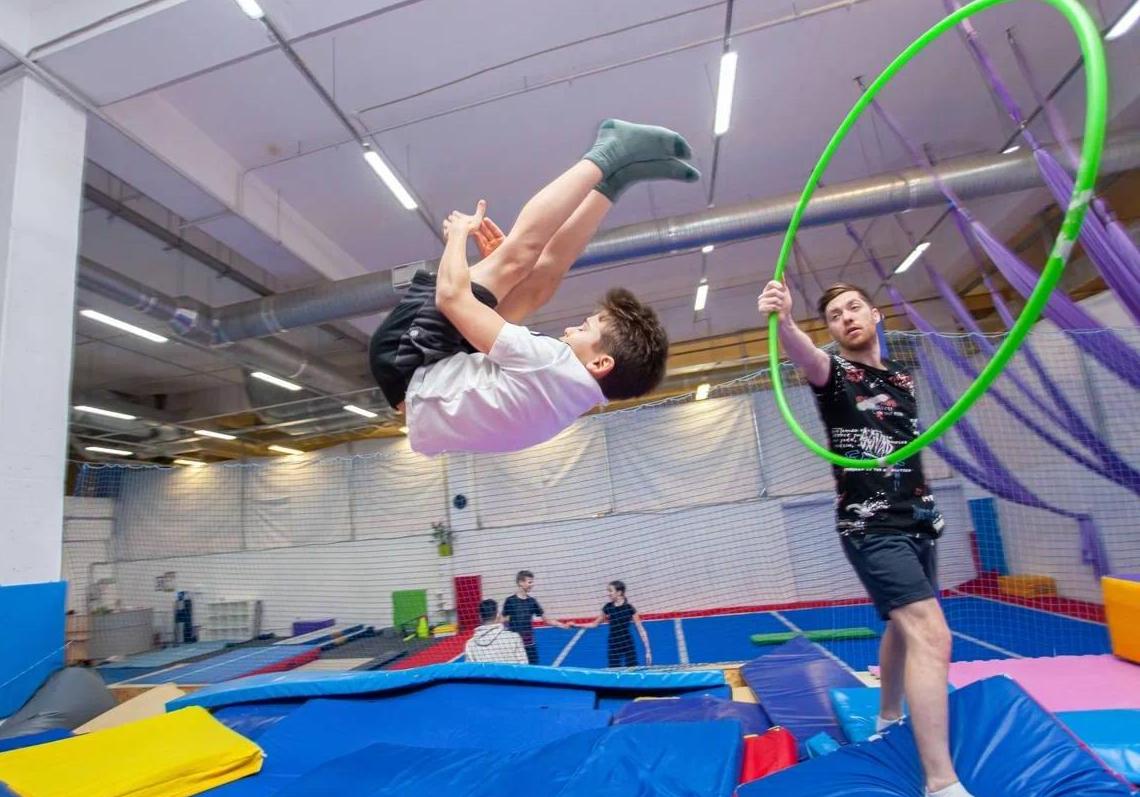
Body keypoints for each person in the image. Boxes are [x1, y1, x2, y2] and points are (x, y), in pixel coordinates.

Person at [369, 118, 698, 455]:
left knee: (518, 258)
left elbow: (450, 296)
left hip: (406, 358)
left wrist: (457, 236)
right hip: (433, 376)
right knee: (539, 282)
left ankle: (608, 153)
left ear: (601, 363)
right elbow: (548, 268)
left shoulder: (548, 364)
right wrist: (501, 285)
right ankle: (614, 183)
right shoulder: (569, 397)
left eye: (585, 328)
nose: (571, 327)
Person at [757, 280, 970, 797]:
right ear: (830, 329)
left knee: (902, 626)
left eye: (854, 308)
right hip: (870, 525)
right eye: (834, 315)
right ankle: (940, 783)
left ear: (875, 315)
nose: (846, 318)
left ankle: (890, 713)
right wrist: (785, 322)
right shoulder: (835, 375)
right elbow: (807, 358)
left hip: (917, 517)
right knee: (931, 634)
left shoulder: (901, 378)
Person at [502, 570, 575, 664]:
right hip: (514, 644)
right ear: (520, 582)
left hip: (529, 643)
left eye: (532, 582)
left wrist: (563, 625)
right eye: (530, 582)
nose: (532, 584)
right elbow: (503, 619)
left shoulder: (532, 601)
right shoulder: (510, 601)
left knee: (533, 667)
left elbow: (546, 620)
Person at [580, 580, 652, 667]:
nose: (608, 593)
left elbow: (641, 630)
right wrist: (576, 625)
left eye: (610, 591)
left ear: (619, 592)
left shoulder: (629, 608)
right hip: (613, 644)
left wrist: (648, 651)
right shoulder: (608, 607)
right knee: (613, 671)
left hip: (627, 643)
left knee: (632, 670)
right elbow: (594, 624)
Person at [463, 598, 528, 664]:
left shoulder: (470, 645)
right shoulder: (514, 638)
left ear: (480, 617)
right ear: (497, 615)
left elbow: (470, 672)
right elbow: (524, 666)